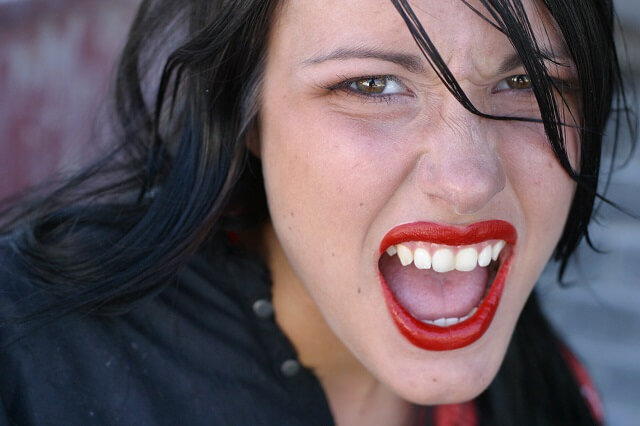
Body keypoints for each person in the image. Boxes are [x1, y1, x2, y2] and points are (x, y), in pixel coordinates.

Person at [0, 0, 634, 425]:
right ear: (243, 111)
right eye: (371, 85)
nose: (469, 182)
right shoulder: (25, 366)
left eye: (527, 82)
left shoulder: (545, 380)